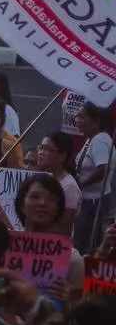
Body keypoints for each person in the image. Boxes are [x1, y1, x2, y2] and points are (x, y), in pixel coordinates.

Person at [74, 102, 114, 253]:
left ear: (96, 121)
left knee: (84, 244)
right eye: (78, 116)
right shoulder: (92, 139)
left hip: (94, 202)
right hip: (89, 200)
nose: (78, 120)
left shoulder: (100, 141)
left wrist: (81, 183)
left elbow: (103, 169)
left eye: (83, 117)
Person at [35, 134, 82, 234]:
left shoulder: (69, 187)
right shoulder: (41, 179)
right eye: (40, 148)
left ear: (62, 156)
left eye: (47, 149)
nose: (40, 153)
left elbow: (64, 230)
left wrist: (32, 227)